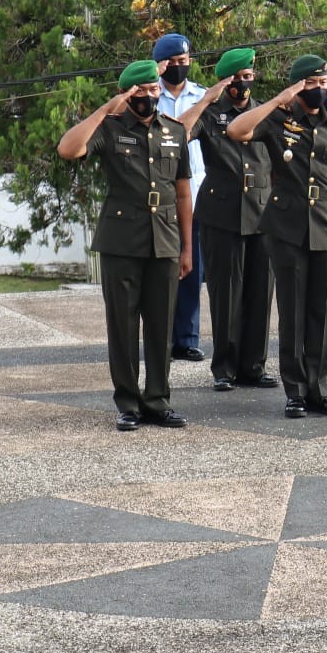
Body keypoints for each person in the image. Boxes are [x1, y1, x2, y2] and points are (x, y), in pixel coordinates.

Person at [56, 60, 192, 431]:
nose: (149, 96)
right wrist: (106, 109)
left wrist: (186, 248)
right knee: (122, 326)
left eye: (153, 89)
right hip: (121, 242)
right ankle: (129, 403)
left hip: (165, 240)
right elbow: (68, 149)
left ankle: (158, 401)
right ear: (127, 94)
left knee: (161, 326)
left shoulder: (175, 131)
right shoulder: (110, 128)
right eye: (141, 91)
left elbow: (183, 193)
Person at [226, 55, 327, 419]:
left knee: (323, 312)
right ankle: (295, 391)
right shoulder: (278, 119)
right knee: (293, 312)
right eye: (311, 84)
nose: (319, 90)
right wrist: (277, 99)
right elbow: (237, 131)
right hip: (286, 227)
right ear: (298, 87)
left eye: (323, 83)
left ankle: (319, 388)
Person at [174, 47, 278, 392]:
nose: (245, 83)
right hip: (221, 214)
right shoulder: (211, 113)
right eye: (239, 78)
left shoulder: (264, 112)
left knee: (260, 293)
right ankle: (225, 367)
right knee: (226, 294)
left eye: (249, 76)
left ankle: (254, 366)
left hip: (262, 213)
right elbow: (177, 134)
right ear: (227, 82)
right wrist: (206, 99)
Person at [152, 33, 209, 363]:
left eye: (182, 61)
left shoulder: (202, 96)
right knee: (161, 272)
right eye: (171, 63)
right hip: (159, 197)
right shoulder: (148, 95)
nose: (177, 67)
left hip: (197, 193)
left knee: (191, 268)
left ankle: (187, 338)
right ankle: (161, 337)